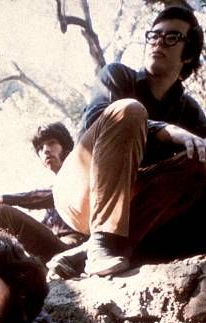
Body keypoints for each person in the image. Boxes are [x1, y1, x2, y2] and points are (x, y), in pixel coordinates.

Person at [49, 6, 206, 280]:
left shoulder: (189, 112)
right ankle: (100, 244)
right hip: (80, 190)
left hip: (133, 206)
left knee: (200, 161)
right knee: (129, 110)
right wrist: (163, 130)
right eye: (154, 35)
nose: (159, 42)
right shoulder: (117, 76)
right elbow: (94, 128)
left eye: (172, 37)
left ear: (189, 54)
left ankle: (98, 251)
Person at [0, 122, 86, 263]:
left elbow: (46, 196)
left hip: (73, 248)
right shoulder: (56, 183)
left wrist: (3, 198)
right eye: (40, 148)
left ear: (65, 147)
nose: (46, 150)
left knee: (0, 212)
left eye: (52, 143)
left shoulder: (79, 173)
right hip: (53, 247)